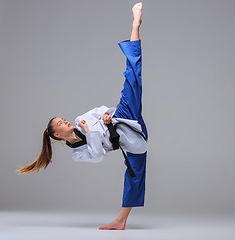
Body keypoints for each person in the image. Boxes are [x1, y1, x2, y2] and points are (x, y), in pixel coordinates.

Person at [16, 2, 147, 230]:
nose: (65, 121)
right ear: (58, 134)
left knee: (133, 76)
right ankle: (121, 220)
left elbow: (101, 110)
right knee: (135, 174)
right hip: (130, 139)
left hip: (124, 115)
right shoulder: (77, 154)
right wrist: (90, 133)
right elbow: (97, 156)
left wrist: (106, 117)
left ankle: (135, 25)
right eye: (60, 123)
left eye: (62, 118)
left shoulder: (79, 120)